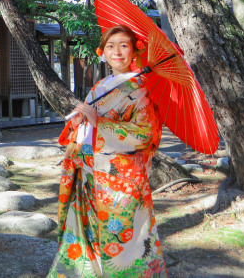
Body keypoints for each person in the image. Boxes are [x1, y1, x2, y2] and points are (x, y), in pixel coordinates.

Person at [47, 25, 168, 278]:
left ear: (134, 51)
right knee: (89, 227)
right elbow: (86, 128)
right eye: (111, 46)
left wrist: (98, 122)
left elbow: (144, 134)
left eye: (124, 45)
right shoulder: (101, 85)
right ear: (103, 51)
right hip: (89, 168)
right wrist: (78, 122)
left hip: (119, 177)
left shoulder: (140, 89)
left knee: (121, 234)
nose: (117, 52)